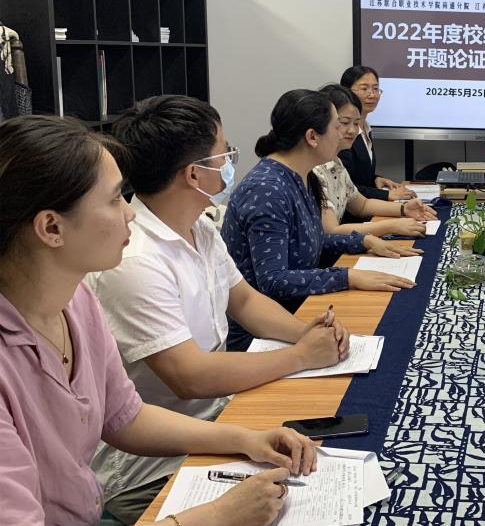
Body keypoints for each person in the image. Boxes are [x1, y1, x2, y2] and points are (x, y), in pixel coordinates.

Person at [0, 115, 320, 526]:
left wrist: (245, 439)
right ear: (51, 227)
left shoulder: (76, 300)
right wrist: (217, 516)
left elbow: (126, 416)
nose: (130, 214)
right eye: (115, 200)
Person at [87, 95, 352, 524]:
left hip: (216, 418)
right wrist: (302, 355)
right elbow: (189, 376)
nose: (231, 162)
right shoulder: (136, 260)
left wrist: (306, 333)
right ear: (194, 173)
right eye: (225, 153)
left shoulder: (200, 225)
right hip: (151, 467)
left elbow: (244, 299)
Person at [221, 89, 417, 351]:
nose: (344, 134)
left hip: (301, 311)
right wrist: (347, 276)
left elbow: (308, 241)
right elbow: (274, 280)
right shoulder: (267, 189)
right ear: (312, 137)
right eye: (338, 126)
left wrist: (363, 241)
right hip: (265, 335)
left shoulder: (301, 176)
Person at [314, 84, 437, 239]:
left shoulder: (336, 163)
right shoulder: (315, 170)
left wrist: (404, 209)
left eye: (356, 123)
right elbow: (331, 232)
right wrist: (391, 226)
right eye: (344, 123)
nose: (352, 130)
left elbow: (362, 205)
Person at [338, 65, 416, 205]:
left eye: (375, 89)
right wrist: (386, 194)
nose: (372, 94)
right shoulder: (344, 132)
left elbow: (358, 175)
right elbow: (345, 186)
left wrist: (375, 179)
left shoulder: (366, 128)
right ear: (346, 92)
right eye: (364, 89)